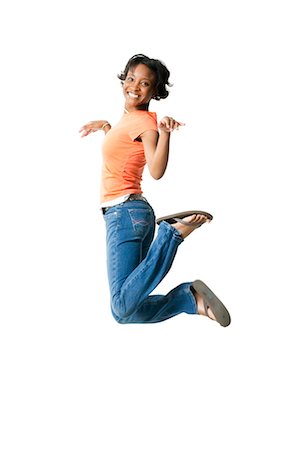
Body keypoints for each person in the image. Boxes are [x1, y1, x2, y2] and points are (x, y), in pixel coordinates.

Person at [79, 54, 231, 326]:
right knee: (126, 311)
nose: (135, 86)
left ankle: (172, 234)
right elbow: (124, 152)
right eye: (131, 78)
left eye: (145, 83)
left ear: (155, 91)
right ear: (123, 79)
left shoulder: (146, 124)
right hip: (128, 214)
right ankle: (189, 299)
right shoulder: (129, 119)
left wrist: (164, 133)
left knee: (122, 305)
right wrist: (105, 128)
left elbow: (156, 170)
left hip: (124, 214)